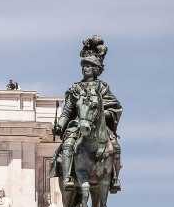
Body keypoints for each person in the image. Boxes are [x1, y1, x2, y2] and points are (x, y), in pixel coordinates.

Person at [51, 35, 123, 192]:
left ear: (96, 69)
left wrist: (102, 115)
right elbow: (68, 110)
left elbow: (116, 108)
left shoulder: (103, 88)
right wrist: (60, 124)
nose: (85, 68)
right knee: (68, 144)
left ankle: (115, 178)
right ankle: (68, 176)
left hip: (98, 126)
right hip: (78, 125)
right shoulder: (75, 89)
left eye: (89, 66)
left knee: (115, 147)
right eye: (83, 65)